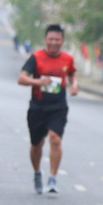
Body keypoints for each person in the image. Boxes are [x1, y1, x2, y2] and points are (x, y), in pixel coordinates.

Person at [17, 23, 78, 194]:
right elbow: (21, 78)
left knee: (55, 139)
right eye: (50, 39)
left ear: (62, 41)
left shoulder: (67, 59)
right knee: (37, 144)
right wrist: (38, 82)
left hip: (58, 107)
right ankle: (37, 172)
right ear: (45, 40)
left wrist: (74, 85)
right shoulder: (36, 57)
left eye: (57, 39)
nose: (53, 42)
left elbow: (72, 73)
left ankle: (52, 178)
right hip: (37, 107)